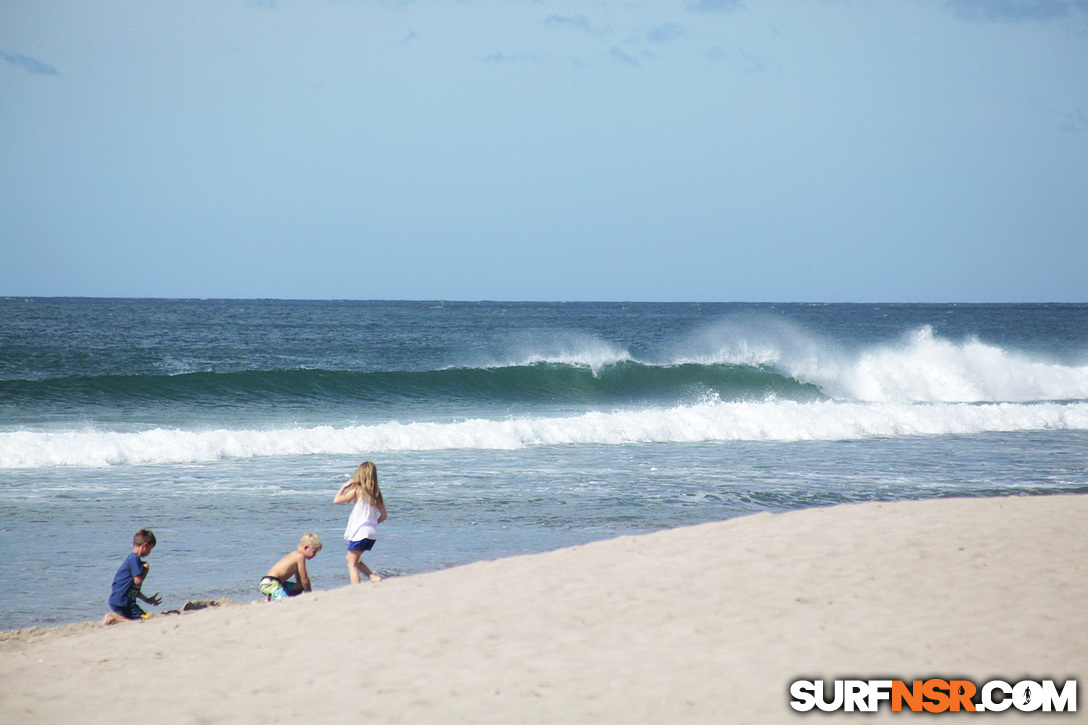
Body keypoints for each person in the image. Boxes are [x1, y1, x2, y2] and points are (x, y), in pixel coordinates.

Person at [333, 461, 388, 583]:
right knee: (353, 559)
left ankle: (357, 588)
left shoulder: (358, 491)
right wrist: (373, 523)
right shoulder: (377, 495)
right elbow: (384, 516)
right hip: (371, 532)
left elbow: (336, 500)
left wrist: (344, 487)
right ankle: (372, 576)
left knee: (351, 563)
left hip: (360, 532)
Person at [102, 529, 162, 625]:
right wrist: (146, 570)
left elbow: (133, 589)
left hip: (119, 600)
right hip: (123, 602)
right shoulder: (134, 559)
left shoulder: (132, 559)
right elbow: (138, 581)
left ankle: (119, 618)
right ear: (144, 545)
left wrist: (147, 600)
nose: (149, 552)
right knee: (144, 618)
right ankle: (113, 619)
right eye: (150, 549)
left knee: (139, 616)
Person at [258, 533, 322, 601]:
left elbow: (300, 582)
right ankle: (272, 599)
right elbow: (305, 580)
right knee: (284, 600)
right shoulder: (300, 556)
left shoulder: (295, 555)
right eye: (314, 552)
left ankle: (270, 598)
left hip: (275, 583)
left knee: (300, 587)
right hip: (270, 583)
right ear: (306, 547)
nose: (315, 555)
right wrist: (309, 594)